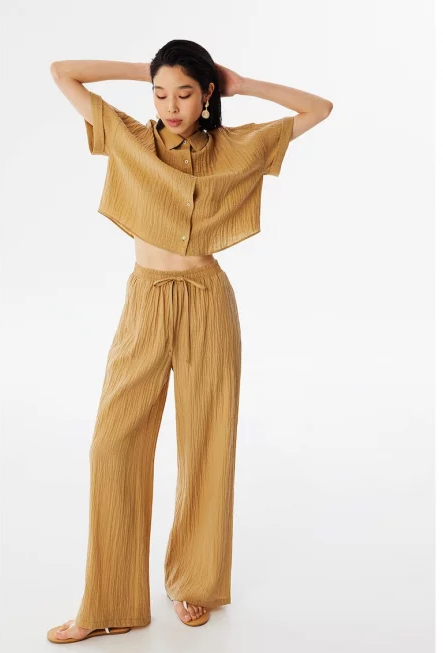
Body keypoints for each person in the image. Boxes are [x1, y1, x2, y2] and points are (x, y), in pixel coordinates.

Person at [47, 39, 333, 644]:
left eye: (183, 93)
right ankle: (109, 602)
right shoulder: (130, 137)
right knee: (112, 445)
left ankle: (194, 584)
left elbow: (319, 109)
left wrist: (242, 84)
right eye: (160, 94)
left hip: (207, 302)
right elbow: (63, 72)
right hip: (146, 301)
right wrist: (146, 71)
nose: (170, 106)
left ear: (206, 96)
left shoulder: (236, 147)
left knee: (206, 444)